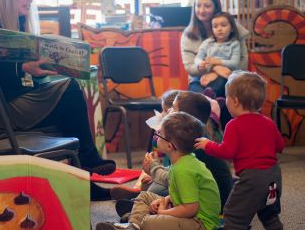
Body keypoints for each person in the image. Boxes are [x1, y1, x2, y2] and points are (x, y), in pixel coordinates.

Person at [0, 0, 116, 198]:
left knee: (68, 104)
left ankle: (85, 184)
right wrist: (25, 68)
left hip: (20, 99)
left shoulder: (17, 24)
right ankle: (88, 158)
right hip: (1, 111)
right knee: (69, 90)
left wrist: (46, 66)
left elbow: (22, 74)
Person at [112, 91, 232, 223]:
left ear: (185, 118)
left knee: (158, 186)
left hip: (204, 205)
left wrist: (153, 169)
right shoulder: (185, 141)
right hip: (189, 189)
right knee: (156, 183)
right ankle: (139, 204)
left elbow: (174, 178)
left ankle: (141, 208)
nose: (169, 110)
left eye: (173, 107)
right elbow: (174, 171)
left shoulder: (194, 146)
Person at [96, 112, 221, 230]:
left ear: (169, 146)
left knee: (150, 223)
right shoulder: (183, 161)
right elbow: (184, 193)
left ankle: (139, 221)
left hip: (200, 223)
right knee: (145, 196)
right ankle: (133, 225)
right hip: (187, 211)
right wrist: (166, 199)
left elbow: (190, 209)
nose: (156, 136)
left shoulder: (183, 170)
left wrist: (163, 212)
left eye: (159, 134)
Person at [195, 71, 285, 230]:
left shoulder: (234, 125)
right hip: (274, 177)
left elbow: (226, 152)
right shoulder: (268, 122)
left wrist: (208, 144)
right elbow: (280, 146)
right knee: (269, 215)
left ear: (235, 101)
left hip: (252, 179)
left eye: (227, 98)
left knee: (233, 215)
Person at [181, 0, 249, 97]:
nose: (202, 10)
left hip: (230, 76)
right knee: (199, 99)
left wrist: (218, 74)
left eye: (207, 6)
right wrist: (214, 68)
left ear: (216, 8)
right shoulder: (188, 35)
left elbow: (243, 62)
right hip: (199, 79)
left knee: (221, 90)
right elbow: (190, 67)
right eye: (198, 6)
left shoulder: (233, 27)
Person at [194, 12, 241, 97]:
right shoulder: (207, 43)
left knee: (222, 82)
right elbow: (198, 57)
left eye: (223, 25)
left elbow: (234, 63)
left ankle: (212, 100)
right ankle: (210, 99)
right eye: (215, 26)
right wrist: (200, 63)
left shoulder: (234, 44)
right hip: (207, 74)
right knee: (200, 84)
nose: (219, 29)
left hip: (225, 75)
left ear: (232, 28)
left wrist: (217, 62)